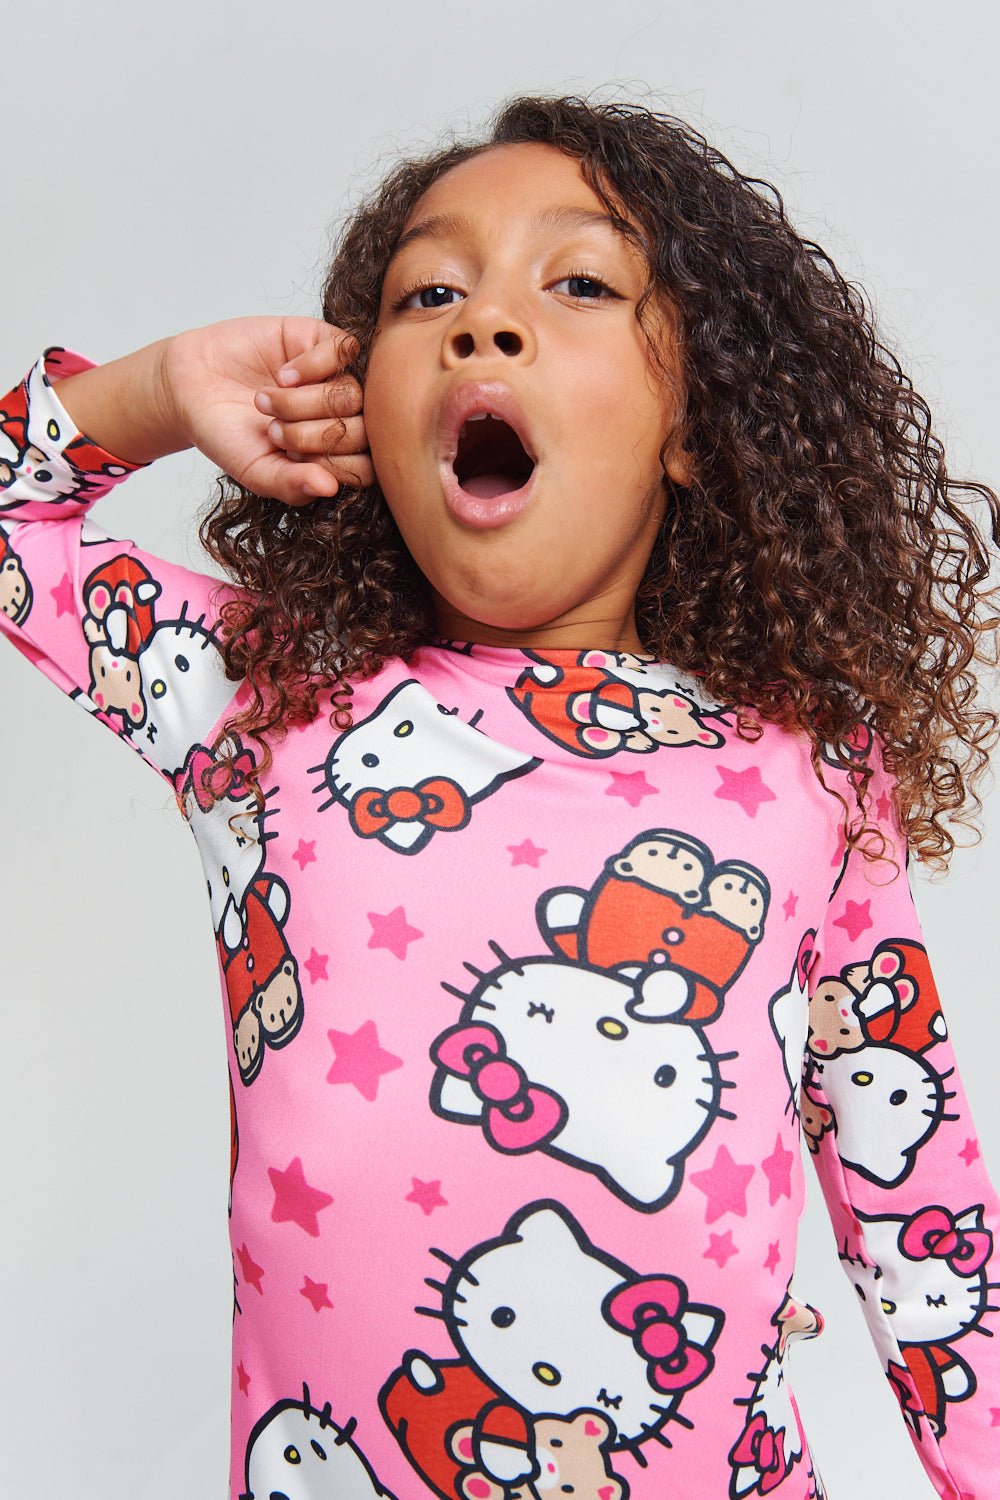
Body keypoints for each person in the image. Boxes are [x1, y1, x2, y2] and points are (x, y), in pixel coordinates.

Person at [2, 91, 998, 1500]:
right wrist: (161, 389)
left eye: (579, 283)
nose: (483, 325)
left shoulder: (809, 763)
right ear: (362, 414)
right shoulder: (257, 696)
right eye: (430, 295)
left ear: (693, 424)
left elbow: (916, 1187)